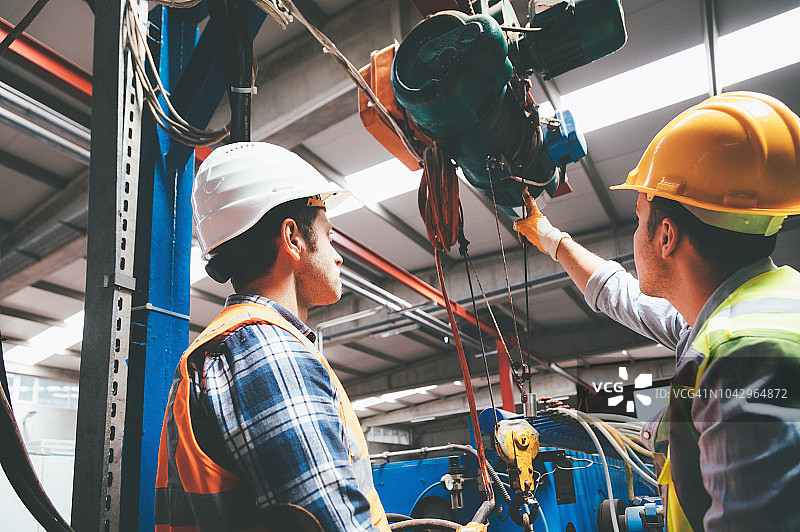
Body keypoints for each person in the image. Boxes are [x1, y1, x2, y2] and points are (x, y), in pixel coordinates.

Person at [514, 91, 800, 531]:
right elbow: (621, 295)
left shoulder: (741, 354)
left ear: (666, 236)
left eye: (638, 217)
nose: (634, 232)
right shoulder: (748, 307)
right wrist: (550, 238)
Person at [154, 142, 390, 532]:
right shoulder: (266, 351)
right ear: (293, 238)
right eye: (328, 235)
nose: (338, 256)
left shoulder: (243, 342)